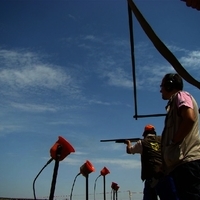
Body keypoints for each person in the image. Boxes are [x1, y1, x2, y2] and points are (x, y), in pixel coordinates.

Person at [160, 73, 200, 200]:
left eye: (162, 86)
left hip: (187, 164)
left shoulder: (181, 95)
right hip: (181, 165)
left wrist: (173, 141)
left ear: (169, 85)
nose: (160, 89)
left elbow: (189, 119)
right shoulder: (174, 102)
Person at [125, 124, 179, 200]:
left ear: (145, 133)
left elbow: (129, 150)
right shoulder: (163, 140)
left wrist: (128, 143)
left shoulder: (142, 143)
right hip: (165, 174)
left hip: (151, 177)